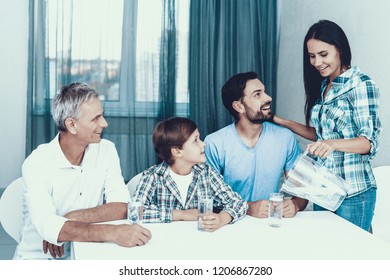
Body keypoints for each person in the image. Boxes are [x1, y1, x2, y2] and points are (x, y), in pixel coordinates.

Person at [14, 82, 151, 260]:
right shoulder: (37, 163)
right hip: (40, 259)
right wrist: (112, 232)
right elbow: (47, 224)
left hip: (89, 253)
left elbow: (121, 206)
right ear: (71, 125)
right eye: (96, 118)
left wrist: (70, 219)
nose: (104, 123)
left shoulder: (106, 150)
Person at [273, 20, 382, 231]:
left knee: (350, 258)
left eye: (324, 54)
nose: (316, 62)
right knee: (327, 253)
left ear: (340, 49)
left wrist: (332, 144)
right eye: (312, 56)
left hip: (353, 192)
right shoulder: (325, 85)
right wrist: (282, 121)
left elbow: (368, 143)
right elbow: (320, 135)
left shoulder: (360, 85)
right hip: (323, 188)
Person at [204, 72, 308, 219]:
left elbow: (303, 191)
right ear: (239, 106)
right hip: (228, 226)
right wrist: (247, 208)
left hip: (270, 226)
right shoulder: (214, 143)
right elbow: (207, 200)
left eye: (264, 92)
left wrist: (295, 204)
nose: (268, 98)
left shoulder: (285, 138)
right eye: (257, 95)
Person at [133, 117, 248, 232]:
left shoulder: (206, 173)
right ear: (177, 151)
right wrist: (182, 214)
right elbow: (135, 212)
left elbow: (238, 202)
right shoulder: (153, 176)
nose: (203, 144)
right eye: (196, 140)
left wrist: (222, 218)